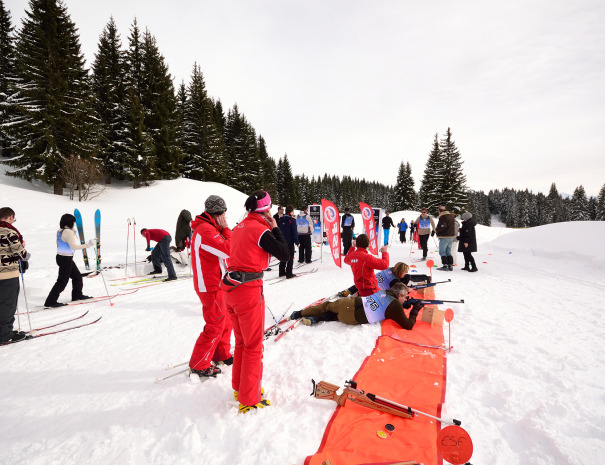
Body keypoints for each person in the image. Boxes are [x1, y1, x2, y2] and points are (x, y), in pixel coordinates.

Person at [221, 190, 289, 413]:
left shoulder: (240, 226)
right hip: (248, 290)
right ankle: (249, 398)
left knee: (241, 342)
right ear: (266, 210)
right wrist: (275, 227)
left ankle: (240, 387)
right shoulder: (259, 229)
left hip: (232, 289)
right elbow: (284, 253)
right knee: (253, 346)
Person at [188, 195, 233, 379]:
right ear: (217, 213)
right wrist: (227, 229)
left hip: (217, 282)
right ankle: (199, 364)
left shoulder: (211, 227)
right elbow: (229, 249)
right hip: (209, 285)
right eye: (223, 214)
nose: (225, 217)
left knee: (225, 320)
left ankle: (221, 353)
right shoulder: (206, 230)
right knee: (215, 324)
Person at [289, 282, 423, 330]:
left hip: (348, 302)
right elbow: (408, 325)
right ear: (399, 295)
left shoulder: (384, 292)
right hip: (351, 317)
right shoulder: (395, 306)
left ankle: (299, 313)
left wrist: (403, 304)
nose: (406, 298)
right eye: (405, 296)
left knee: (326, 307)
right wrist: (415, 310)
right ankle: (315, 319)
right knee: (338, 316)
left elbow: (388, 304)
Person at [44, 213, 96, 308]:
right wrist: (88, 245)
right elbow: (74, 246)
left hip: (61, 257)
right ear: (71, 222)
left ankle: (77, 295)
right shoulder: (68, 232)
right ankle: (50, 301)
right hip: (65, 258)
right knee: (62, 281)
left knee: (77, 277)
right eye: (74, 222)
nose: (74, 224)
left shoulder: (60, 230)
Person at [0, 207, 29, 343]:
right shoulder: (9, 232)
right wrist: (22, 247)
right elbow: (21, 253)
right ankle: (5, 335)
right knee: (7, 305)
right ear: (10, 217)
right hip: (7, 274)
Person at [338, 261, 431, 297]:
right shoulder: (395, 281)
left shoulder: (390, 268)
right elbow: (400, 291)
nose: (405, 273)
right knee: (408, 277)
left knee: (408, 277)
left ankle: (348, 291)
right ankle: (349, 292)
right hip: (373, 289)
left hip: (369, 281)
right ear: (400, 272)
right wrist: (407, 289)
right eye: (404, 271)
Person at [277, 205, 299, 279]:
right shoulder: (291, 220)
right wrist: (297, 242)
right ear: (291, 211)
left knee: (283, 255)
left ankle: (281, 271)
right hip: (289, 241)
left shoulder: (281, 219)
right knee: (290, 257)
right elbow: (294, 232)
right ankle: (289, 273)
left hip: (282, 241)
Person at [435, 206, 456, 271]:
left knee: (442, 251)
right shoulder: (451, 216)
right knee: (448, 251)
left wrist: (436, 230)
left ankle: (445, 265)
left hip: (445, 236)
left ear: (439, 211)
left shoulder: (443, 217)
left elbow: (442, 226)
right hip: (451, 236)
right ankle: (450, 265)